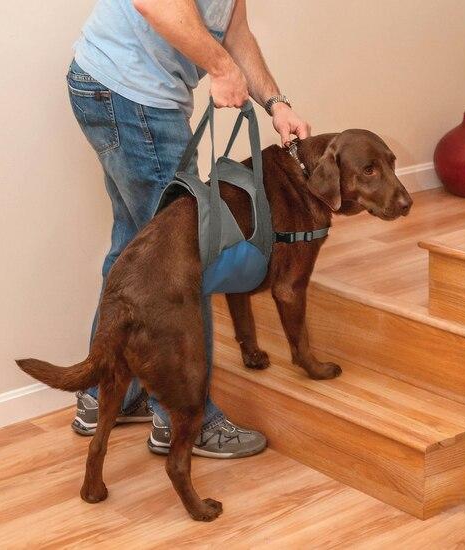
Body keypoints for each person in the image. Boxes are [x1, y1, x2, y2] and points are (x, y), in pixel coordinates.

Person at [68, 0, 311, 458]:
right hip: (134, 98)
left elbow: (236, 34)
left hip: (114, 87)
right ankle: (186, 421)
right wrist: (220, 68)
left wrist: (276, 105)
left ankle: (105, 396)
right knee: (180, 261)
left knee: (133, 247)